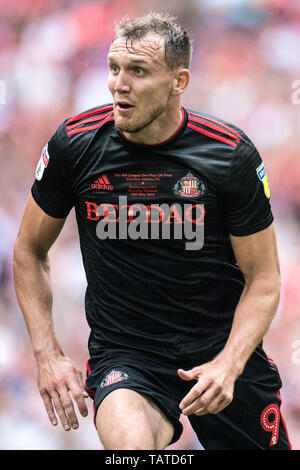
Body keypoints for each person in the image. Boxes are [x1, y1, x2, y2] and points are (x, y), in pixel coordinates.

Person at [13, 12, 292, 450]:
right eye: (114, 68)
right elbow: (29, 249)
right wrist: (48, 355)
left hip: (220, 355)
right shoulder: (75, 144)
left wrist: (230, 363)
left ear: (179, 81)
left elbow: (265, 278)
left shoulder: (229, 156)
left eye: (138, 71)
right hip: (127, 356)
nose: (118, 84)